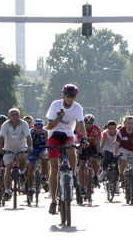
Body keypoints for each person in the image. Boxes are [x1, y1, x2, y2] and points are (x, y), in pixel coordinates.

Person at [45, 84, 87, 215]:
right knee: (54, 168)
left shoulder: (77, 107)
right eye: (67, 96)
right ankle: (53, 200)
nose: (70, 98)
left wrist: (84, 138)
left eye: (72, 96)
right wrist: (59, 117)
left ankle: (73, 175)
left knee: (71, 148)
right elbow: (49, 125)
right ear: (63, 95)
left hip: (68, 134)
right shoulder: (55, 105)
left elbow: (81, 124)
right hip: (54, 134)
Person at [0, 108, 33, 201]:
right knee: (8, 168)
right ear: (9, 116)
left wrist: (29, 147)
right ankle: (6, 191)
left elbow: (28, 137)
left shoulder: (24, 124)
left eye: (17, 115)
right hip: (8, 148)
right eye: (13, 115)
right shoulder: (5, 125)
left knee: (22, 156)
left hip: (21, 147)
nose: (15, 117)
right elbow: (1, 137)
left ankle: (21, 173)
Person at [77, 114, 102, 195]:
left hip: (93, 146)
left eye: (90, 123)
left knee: (95, 160)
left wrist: (99, 153)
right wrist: (79, 154)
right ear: (84, 123)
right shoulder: (81, 129)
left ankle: (95, 176)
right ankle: (81, 186)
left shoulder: (96, 129)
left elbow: (98, 142)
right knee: (81, 165)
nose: (89, 125)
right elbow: (80, 142)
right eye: (87, 123)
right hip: (83, 147)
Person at [28, 119, 49, 197]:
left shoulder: (45, 132)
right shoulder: (31, 132)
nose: (39, 129)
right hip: (33, 148)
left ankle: (44, 176)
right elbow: (27, 142)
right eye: (37, 127)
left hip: (42, 148)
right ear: (34, 126)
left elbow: (47, 142)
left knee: (44, 157)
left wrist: (47, 150)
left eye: (40, 127)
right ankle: (30, 188)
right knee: (30, 168)